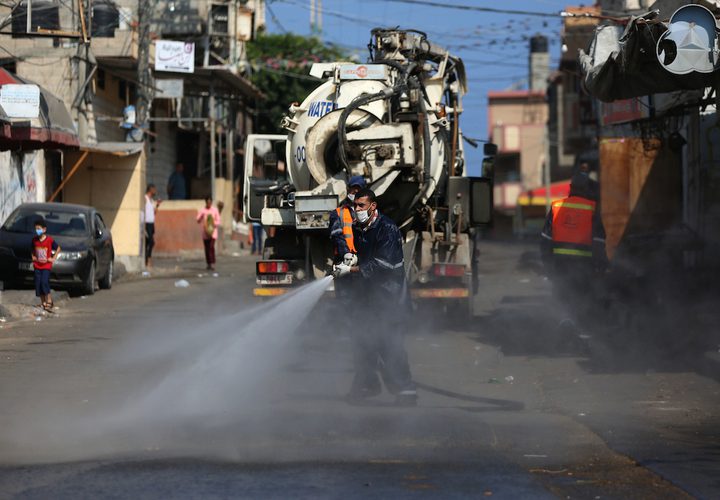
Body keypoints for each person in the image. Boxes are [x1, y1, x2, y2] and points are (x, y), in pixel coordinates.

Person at [334, 188, 418, 406]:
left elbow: (384, 265)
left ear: (373, 207)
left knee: (390, 343)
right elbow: (359, 253)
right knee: (362, 340)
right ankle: (367, 385)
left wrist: (352, 270)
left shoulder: (387, 229)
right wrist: (350, 258)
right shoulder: (360, 228)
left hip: (389, 296)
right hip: (369, 296)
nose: (356, 210)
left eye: (361, 206)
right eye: (355, 206)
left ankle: (406, 391)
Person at [540, 171, 607, 316]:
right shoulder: (592, 209)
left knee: (563, 303)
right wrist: (601, 267)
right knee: (583, 303)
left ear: (571, 187)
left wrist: (547, 265)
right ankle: (582, 332)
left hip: (560, 266)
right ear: (586, 188)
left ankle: (564, 326)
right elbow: (599, 242)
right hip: (584, 268)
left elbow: (545, 239)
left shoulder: (556, 207)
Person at [328, 175, 365, 265]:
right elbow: (336, 235)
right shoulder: (338, 212)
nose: (356, 191)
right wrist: (346, 253)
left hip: (363, 259)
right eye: (353, 188)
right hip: (343, 259)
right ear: (348, 189)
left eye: (359, 188)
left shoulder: (369, 212)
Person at [31, 219, 60, 310]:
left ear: (44, 229)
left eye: (39, 229)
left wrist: (53, 258)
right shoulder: (34, 240)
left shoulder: (49, 240)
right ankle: (43, 302)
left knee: (44, 282)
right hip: (37, 266)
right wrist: (33, 256)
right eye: (36, 229)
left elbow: (58, 248)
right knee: (38, 284)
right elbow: (32, 249)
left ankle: (49, 301)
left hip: (46, 266)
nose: (37, 231)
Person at [197, 196, 221, 271]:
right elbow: (198, 219)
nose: (209, 203)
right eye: (208, 202)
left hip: (213, 232)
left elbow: (218, 221)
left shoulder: (215, 210)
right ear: (206, 202)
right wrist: (201, 218)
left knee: (211, 247)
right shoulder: (203, 210)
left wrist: (213, 223)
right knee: (207, 248)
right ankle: (208, 263)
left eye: (210, 202)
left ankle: (212, 263)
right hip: (205, 232)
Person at [144, 184, 161, 268]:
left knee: (148, 242)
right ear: (150, 189)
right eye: (154, 189)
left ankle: (146, 260)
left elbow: (154, 212)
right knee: (151, 242)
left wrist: (157, 205)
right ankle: (148, 258)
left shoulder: (151, 200)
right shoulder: (145, 199)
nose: (155, 191)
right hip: (146, 223)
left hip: (151, 223)